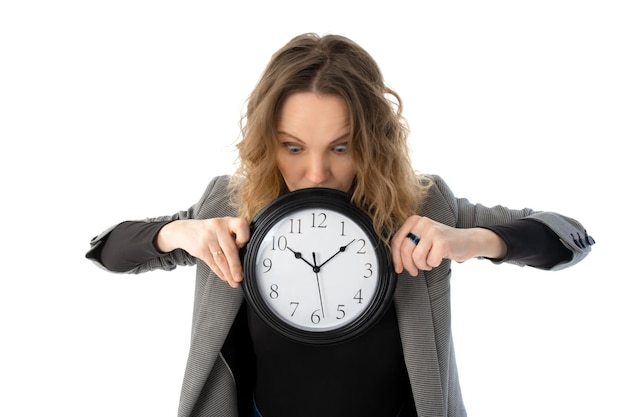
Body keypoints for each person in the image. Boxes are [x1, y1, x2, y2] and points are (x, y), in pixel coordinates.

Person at [86, 33, 594, 417]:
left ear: (372, 142)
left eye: (341, 147)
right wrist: (176, 234)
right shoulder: (232, 203)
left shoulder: (423, 205)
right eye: (293, 147)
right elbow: (107, 249)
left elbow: (569, 237)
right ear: (268, 142)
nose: (315, 173)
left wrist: (474, 241)